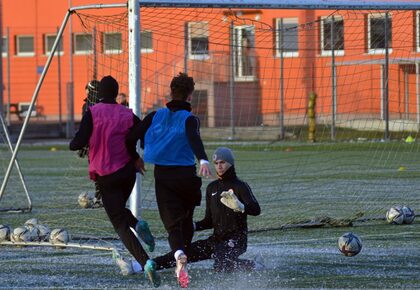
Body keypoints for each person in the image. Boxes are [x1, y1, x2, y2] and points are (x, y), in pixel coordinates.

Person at [69, 75, 160, 288]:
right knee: (118, 210)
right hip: (127, 172)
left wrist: (73, 143)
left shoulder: (92, 112)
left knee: (119, 224)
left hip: (106, 175)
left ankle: (145, 262)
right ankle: (139, 224)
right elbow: (140, 131)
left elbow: (79, 142)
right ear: (116, 93)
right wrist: (139, 155)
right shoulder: (127, 113)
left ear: (99, 93)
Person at [126, 72, 212, 288]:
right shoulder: (190, 118)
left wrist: (136, 156)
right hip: (187, 176)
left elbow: (131, 136)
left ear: (170, 92)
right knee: (186, 221)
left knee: (173, 227)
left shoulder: (155, 116)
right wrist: (203, 159)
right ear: (190, 96)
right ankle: (183, 257)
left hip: (164, 176)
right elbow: (194, 138)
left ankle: (180, 255)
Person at [119, 147, 262, 275]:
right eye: (216, 163)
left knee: (221, 264)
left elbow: (256, 210)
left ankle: (254, 265)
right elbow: (209, 221)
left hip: (236, 240)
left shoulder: (240, 186)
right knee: (181, 254)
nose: (219, 166)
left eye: (223, 162)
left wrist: (241, 207)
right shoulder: (212, 188)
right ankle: (138, 266)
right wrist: (191, 225)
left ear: (230, 163)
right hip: (216, 240)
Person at [78, 80, 102, 207]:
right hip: (105, 142)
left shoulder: (88, 105)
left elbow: (86, 127)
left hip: (93, 144)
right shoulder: (104, 103)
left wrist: (82, 143)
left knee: (97, 171)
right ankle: (101, 197)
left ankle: (100, 197)